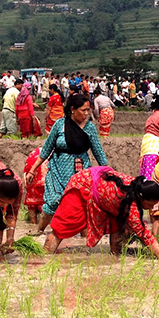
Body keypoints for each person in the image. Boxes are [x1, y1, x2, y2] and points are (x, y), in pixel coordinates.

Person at [25, 93, 108, 234]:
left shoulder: (89, 128)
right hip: (57, 169)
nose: (87, 113)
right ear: (73, 109)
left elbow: (99, 153)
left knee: (81, 203)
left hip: (80, 173)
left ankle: (83, 236)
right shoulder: (60, 125)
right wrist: (32, 170)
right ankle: (39, 230)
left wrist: (108, 174)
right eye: (84, 110)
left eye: (89, 110)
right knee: (53, 200)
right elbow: (46, 150)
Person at [45, 166, 159, 259]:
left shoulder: (136, 187)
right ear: (141, 197)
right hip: (83, 184)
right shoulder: (131, 205)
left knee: (117, 225)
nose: (150, 208)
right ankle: (46, 255)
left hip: (102, 192)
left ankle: (115, 256)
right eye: (150, 205)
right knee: (64, 225)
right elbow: (144, 234)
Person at [23, 147, 47, 225]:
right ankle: (42, 228)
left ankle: (33, 226)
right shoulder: (50, 154)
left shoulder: (34, 154)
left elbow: (25, 174)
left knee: (31, 203)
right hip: (45, 182)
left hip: (32, 180)